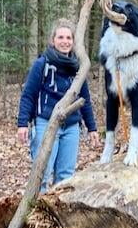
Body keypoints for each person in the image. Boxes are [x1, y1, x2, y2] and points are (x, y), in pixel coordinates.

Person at [17, 20, 100, 193]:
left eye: (69, 37)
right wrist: (22, 124)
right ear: (52, 40)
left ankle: (58, 216)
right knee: (43, 174)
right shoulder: (42, 64)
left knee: (66, 176)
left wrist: (92, 128)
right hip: (45, 124)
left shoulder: (78, 67)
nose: (65, 41)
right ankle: (36, 215)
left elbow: (84, 98)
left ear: (73, 42)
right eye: (60, 37)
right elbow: (28, 95)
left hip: (71, 127)